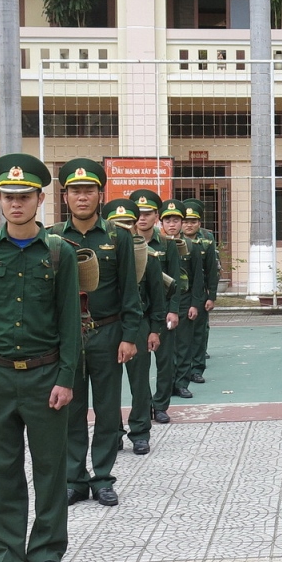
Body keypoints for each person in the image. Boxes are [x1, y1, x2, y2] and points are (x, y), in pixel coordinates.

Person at [0, 154, 80, 562]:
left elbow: (70, 320)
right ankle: (8, 555)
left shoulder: (59, 252)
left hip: (44, 377)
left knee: (51, 469)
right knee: (3, 468)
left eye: (24, 196)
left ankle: (46, 552)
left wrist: (67, 377)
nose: (16, 204)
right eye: (9, 197)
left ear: (40, 199)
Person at [55, 159, 142, 508]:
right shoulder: (53, 238)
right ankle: (74, 479)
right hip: (69, 338)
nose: (82, 197)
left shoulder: (118, 237)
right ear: (65, 197)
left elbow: (129, 291)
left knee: (107, 411)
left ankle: (103, 478)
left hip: (108, 333)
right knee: (71, 411)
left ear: (99, 194)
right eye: (75, 191)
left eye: (88, 190)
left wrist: (130, 335)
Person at [127, 192, 174, 448]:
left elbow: (162, 293)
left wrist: (158, 326)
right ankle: (112, 432)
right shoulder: (107, 253)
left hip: (143, 322)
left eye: (146, 214)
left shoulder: (154, 251)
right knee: (107, 387)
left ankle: (141, 431)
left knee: (142, 379)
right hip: (109, 325)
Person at [154, 199, 201, 419]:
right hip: (162, 302)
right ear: (161, 221)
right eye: (168, 220)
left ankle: (181, 383)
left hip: (183, 301)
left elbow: (198, 277)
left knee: (183, 345)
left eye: (176, 220)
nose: (172, 224)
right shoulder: (158, 244)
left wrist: (195, 303)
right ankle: (166, 386)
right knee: (165, 350)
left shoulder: (192, 245)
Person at [176, 200, 216, 391]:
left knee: (199, 333)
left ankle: (197, 369)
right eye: (186, 221)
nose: (189, 225)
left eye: (193, 221)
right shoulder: (173, 241)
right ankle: (181, 370)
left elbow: (211, 270)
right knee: (181, 336)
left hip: (200, 294)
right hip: (180, 295)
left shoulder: (206, 240)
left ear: (199, 223)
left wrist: (212, 296)